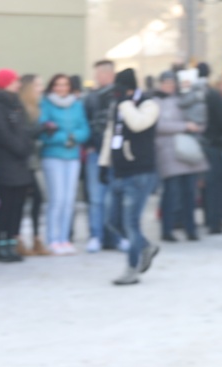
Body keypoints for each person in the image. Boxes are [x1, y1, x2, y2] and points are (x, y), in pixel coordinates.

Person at [99, 68, 160, 285]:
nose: (117, 93)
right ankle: (145, 247)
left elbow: (138, 124)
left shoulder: (148, 104)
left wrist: (126, 103)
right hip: (118, 171)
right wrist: (103, 163)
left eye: (121, 89)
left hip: (140, 173)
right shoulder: (117, 105)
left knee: (131, 222)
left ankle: (132, 268)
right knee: (112, 221)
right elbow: (111, 133)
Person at [154, 71, 209, 241]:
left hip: (187, 152)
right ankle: (167, 229)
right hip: (168, 153)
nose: (169, 86)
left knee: (189, 193)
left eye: (172, 83)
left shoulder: (183, 100)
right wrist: (185, 126)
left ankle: (190, 229)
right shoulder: (155, 102)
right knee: (171, 193)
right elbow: (159, 126)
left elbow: (199, 120)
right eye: (166, 82)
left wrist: (195, 125)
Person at [39, 74, 90, 254]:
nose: (62, 88)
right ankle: (52, 238)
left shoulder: (76, 105)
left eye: (65, 84)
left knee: (69, 200)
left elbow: (84, 128)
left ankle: (64, 239)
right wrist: (64, 138)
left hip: (73, 156)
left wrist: (74, 137)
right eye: (58, 85)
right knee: (57, 199)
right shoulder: (46, 104)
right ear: (53, 86)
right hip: (53, 155)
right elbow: (44, 130)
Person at [0, 69, 35, 262]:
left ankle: (10, 242)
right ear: (5, 82)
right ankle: (1, 244)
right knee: (6, 205)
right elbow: (2, 134)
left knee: (17, 204)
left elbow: (23, 130)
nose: (18, 84)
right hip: (4, 163)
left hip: (19, 163)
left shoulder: (14, 104)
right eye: (14, 81)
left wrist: (26, 146)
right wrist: (21, 148)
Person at [83, 59, 124, 253]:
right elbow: (85, 123)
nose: (97, 78)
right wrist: (89, 145)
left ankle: (114, 238)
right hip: (95, 154)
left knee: (114, 198)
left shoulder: (121, 96)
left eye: (99, 74)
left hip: (116, 156)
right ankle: (95, 236)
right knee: (97, 198)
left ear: (109, 75)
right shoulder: (90, 98)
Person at [198, 63, 222, 234]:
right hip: (215, 146)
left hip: (204, 143)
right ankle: (215, 223)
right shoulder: (215, 98)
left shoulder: (203, 94)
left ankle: (210, 220)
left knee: (208, 185)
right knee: (216, 186)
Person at [17, 74, 50, 255]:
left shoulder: (36, 107)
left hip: (31, 161)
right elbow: (23, 134)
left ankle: (36, 239)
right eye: (38, 85)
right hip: (22, 163)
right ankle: (19, 240)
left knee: (37, 199)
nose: (41, 88)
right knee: (24, 201)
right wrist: (42, 128)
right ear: (29, 87)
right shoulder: (21, 108)